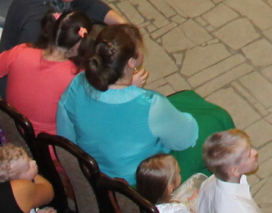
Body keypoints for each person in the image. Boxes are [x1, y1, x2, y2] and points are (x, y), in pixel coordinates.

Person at [55, 24, 202, 180]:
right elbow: (184, 139)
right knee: (212, 119)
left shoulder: (77, 84)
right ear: (131, 62)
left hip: (94, 171)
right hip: (140, 179)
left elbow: (66, 136)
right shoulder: (150, 104)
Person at [0, 9, 91, 135]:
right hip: (51, 144)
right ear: (79, 44)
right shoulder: (77, 77)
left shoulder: (20, 52)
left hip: (13, 131)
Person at [197, 130, 261, 213]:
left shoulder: (208, 183)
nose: (255, 152)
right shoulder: (241, 209)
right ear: (235, 170)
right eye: (248, 155)